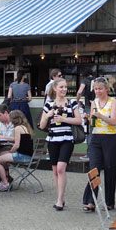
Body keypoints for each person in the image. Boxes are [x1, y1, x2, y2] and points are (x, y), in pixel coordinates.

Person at [39, 77, 81, 211]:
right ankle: (60, 198)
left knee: (61, 168)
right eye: (61, 87)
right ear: (55, 89)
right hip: (52, 139)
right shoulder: (49, 104)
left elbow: (79, 121)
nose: (64, 89)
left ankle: (59, 200)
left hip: (67, 139)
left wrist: (64, 119)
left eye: (65, 87)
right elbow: (41, 125)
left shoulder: (72, 103)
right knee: (55, 171)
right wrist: (47, 115)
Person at [82, 77, 116, 212]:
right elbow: (92, 123)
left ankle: (109, 202)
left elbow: (114, 121)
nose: (97, 91)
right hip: (96, 137)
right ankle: (91, 201)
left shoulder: (113, 102)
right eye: (96, 89)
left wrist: (100, 116)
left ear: (106, 89)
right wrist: (88, 119)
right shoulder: (94, 102)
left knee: (110, 169)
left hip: (110, 138)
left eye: (100, 89)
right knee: (94, 169)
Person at [0, 110, 33, 191]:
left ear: (14, 119)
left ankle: (5, 183)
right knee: (2, 158)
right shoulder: (26, 128)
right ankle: (6, 178)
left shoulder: (17, 128)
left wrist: (10, 152)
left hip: (21, 156)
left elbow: (16, 145)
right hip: (28, 156)